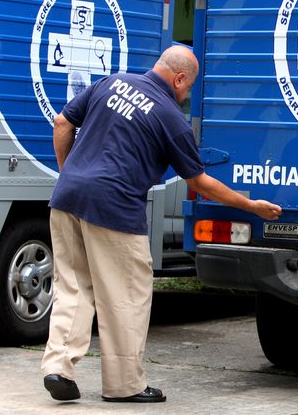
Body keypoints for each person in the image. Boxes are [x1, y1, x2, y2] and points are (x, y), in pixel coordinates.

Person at [40, 45, 282, 403]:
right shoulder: (171, 117)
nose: (185, 95)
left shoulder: (111, 82)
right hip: (115, 209)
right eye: (187, 88)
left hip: (67, 199)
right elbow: (198, 182)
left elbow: (63, 122)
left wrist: (70, 175)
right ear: (179, 78)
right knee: (127, 296)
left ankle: (57, 367)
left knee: (73, 286)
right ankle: (124, 385)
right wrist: (249, 205)